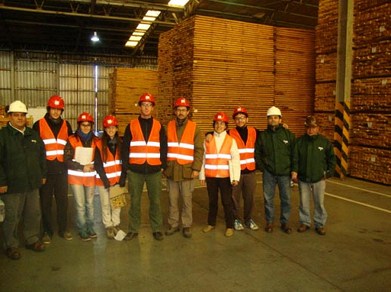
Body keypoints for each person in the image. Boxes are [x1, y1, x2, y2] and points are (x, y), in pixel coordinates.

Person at [0, 100, 47, 260]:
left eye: (22, 115)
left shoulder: (32, 135)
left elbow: (42, 156)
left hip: (32, 183)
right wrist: (2, 182)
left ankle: (32, 239)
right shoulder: (3, 136)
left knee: (33, 213)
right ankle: (11, 245)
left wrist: (43, 174)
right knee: (12, 216)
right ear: (10, 117)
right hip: (13, 185)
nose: (20, 118)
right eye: (16, 115)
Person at [120, 93, 167, 241]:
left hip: (154, 170)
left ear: (152, 108)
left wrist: (162, 165)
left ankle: (157, 229)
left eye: (149, 105)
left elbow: (164, 147)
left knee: (155, 201)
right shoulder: (131, 125)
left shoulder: (159, 126)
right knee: (134, 201)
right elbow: (125, 147)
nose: (146, 107)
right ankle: (133, 229)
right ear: (140, 107)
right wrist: (127, 167)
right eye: (144, 105)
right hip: (135, 171)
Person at [33, 95, 73, 244]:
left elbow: (70, 146)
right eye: (53, 109)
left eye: (58, 109)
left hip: (62, 170)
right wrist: (39, 171)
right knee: (45, 202)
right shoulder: (39, 124)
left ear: (61, 110)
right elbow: (35, 150)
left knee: (63, 202)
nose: (56, 112)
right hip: (46, 171)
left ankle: (63, 229)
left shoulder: (67, 125)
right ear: (48, 109)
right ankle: (47, 231)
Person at [164, 97, 204, 238]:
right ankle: (173, 224)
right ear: (175, 111)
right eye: (178, 110)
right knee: (172, 200)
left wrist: (196, 169)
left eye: (183, 110)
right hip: (171, 170)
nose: (181, 112)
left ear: (188, 112)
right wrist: (163, 166)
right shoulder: (168, 126)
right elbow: (163, 148)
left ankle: (186, 225)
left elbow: (199, 150)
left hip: (187, 171)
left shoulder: (195, 128)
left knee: (187, 201)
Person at [255, 106, 297, 234]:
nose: (273, 120)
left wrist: (294, 170)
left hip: (284, 173)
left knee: (286, 199)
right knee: (268, 199)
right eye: (270, 118)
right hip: (269, 173)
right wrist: (263, 168)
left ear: (280, 119)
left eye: (275, 117)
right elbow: (257, 153)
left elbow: (294, 154)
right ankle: (269, 222)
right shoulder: (263, 136)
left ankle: (284, 222)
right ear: (267, 120)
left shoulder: (288, 135)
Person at [199, 112, 241, 237]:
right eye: (217, 123)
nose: (219, 126)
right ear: (214, 125)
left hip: (225, 177)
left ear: (226, 126)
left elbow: (235, 160)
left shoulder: (231, 140)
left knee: (227, 202)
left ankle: (230, 225)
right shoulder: (208, 139)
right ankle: (211, 223)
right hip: (211, 176)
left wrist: (235, 178)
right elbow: (203, 158)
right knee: (212, 201)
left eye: (222, 123)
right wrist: (202, 175)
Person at [294, 115, 336, 235]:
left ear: (318, 128)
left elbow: (331, 159)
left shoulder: (324, 143)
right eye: (308, 127)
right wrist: (295, 172)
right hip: (303, 178)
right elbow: (295, 159)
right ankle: (305, 222)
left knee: (319, 203)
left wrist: (328, 173)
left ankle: (319, 224)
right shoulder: (300, 142)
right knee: (304, 202)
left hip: (319, 179)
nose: (310, 130)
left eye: (313, 127)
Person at [64, 112, 99, 241]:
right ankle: (82, 228)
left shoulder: (96, 141)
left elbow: (99, 159)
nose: (85, 127)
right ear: (79, 125)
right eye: (83, 125)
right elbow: (66, 160)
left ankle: (90, 227)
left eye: (88, 125)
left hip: (90, 176)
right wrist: (81, 167)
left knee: (90, 203)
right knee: (80, 205)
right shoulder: (71, 140)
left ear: (91, 126)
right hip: (76, 177)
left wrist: (94, 166)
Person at [229, 106, 259, 231]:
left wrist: (282, 126)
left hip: (250, 172)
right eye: (237, 118)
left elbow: (269, 134)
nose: (240, 120)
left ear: (247, 119)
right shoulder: (229, 133)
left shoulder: (255, 131)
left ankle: (248, 219)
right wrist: (209, 134)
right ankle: (236, 219)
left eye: (242, 118)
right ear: (234, 121)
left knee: (249, 198)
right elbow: (215, 135)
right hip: (236, 173)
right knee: (234, 198)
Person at [95, 115, 122, 239]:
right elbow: (98, 164)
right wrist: (105, 180)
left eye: (113, 127)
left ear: (116, 129)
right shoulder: (99, 144)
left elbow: (125, 162)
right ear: (104, 130)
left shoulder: (121, 144)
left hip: (117, 180)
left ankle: (116, 223)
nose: (111, 130)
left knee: (117, 204)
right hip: (103, 181)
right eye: (108, 128)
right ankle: (108, 225)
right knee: (105, 204)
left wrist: (123, 178)